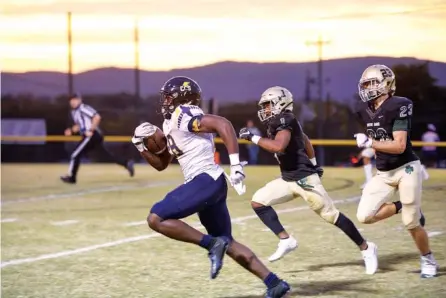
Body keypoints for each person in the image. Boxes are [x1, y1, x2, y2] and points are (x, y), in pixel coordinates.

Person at [131, 76, 290, 297]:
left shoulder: (183, 114)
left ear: (181, 97)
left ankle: (210, 244)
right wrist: (141, 146)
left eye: (169, 96)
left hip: (205, 180)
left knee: (155, 218)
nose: (165, 100)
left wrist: (235, 164)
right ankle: (274, 283)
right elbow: (162, 164)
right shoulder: (170, 122)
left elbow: (222, 124)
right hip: (208, 184)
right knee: (228, 242)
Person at [239, 86, 378, 275]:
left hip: (304, 179)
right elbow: (304, 139)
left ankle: (366, 248)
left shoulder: (285, 118)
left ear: (281, 103)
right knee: (258, 202)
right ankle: (286, 239)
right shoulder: (279, 122)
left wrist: (253, 138)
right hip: (288, 179)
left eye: (268, 105)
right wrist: (313, 161)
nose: (265, 109)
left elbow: (278, 146)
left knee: (332, 216)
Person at [354, 64, 438, 278]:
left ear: (387, 83)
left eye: (373, 82)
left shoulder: (399, 105)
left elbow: (399, 145)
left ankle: (427, 258)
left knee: (411, 223)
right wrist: (370, 143)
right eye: (366, 83)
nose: (368, 87)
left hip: (406, 168)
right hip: (383, 172)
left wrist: (369, 142)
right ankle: (403, 206)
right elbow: (378, 142)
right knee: (364, 216)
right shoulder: (364, 110)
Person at [61, 93, 134, 184]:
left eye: (75, 100)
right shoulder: (74, 112)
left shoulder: (83, 108)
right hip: (91, 136)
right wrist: (71, 131)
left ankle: (72, 177)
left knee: (75, 154)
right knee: (105, 156)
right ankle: (126, 163)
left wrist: (91, 130)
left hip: (91, 136)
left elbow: (97, 117)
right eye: (71, 100)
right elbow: (80, 125)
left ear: (79, 100)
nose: (73, 102)